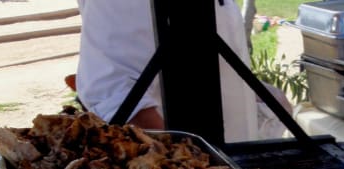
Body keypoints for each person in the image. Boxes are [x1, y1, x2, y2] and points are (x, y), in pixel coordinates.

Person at [74, 0, 288, 140]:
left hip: (230, 158)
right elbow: (114, 93)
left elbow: (198, 50)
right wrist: (189, 168)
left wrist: (255, 93)